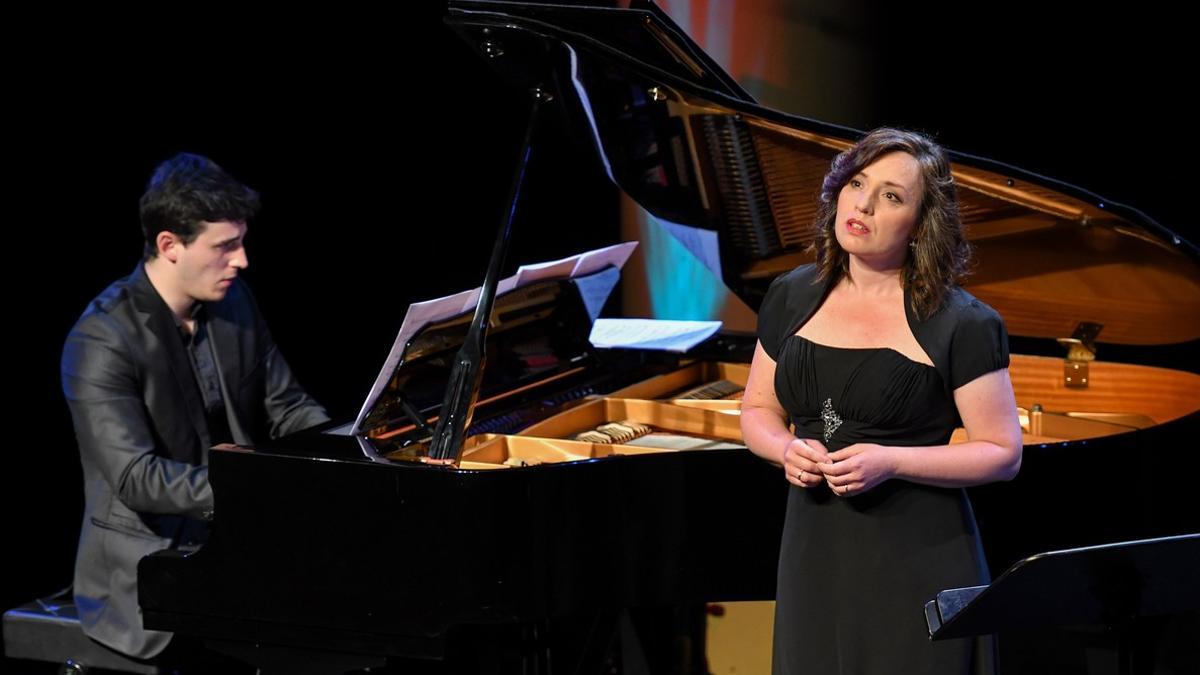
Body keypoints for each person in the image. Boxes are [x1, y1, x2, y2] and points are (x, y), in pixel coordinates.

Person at [739, 128, 1023, 674]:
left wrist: (891, 460)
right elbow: (758, 410)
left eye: (891, 196)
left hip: (916, 558)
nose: (864, 203)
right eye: (856, 182)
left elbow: (1002, 452)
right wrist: (783, 449)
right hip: (813, 552)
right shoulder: (792, 294)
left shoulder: (962, 323)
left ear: (920, 225)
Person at [61, 153, 330, 661]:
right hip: (145, 566)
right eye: (225, 246)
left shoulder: (235, 301)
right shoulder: (102, 338)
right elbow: (136, 475)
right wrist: (251, 489)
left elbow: (289, 407)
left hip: (236, 541)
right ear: (170, 246)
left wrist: (346, 460)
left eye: (241, 242)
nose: (242, 260)